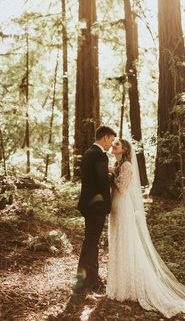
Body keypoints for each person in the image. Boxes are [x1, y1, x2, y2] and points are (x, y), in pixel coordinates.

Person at [106, 138, 185, 320]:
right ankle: (121, 282)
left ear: (124, 149)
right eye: (113, 145)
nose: (113, 146)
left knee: (126, 241)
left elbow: (121, 187)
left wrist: (110, 175)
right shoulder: (117, 163)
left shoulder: (126, 165)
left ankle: (129, 286)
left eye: (116, 145)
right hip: (115, 206)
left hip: (122, 206)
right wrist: (111, 170)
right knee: (118, 241)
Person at [76, 125, 116, 292]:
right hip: (96, 206)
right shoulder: (100, 156)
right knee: (91, 242)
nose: (111, 145)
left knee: (90, 241)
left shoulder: (88, 153)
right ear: (105, 137)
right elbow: (103, 182)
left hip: (87, 204)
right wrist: (113, 174)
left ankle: (89, 277)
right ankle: (86, 281)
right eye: (111, 140)